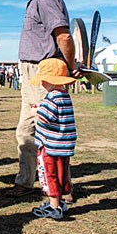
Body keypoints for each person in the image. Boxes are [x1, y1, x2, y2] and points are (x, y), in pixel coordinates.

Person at [5, 0, 81, 198]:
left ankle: (62, 188)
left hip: (43, 70)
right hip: (33, 71)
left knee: (49, 128)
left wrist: (69, 66)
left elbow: (64, 36)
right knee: (26, 129)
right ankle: (26, 180)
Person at [29, 58, 77, 220]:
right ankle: (61, 202)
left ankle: (54, 206)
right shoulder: (64, 96)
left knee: (50, 175)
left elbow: (45, 118)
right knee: (62, 174)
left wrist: (36, 112)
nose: (42, 84)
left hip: (50, 145)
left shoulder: (52, 97)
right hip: (63, 145)